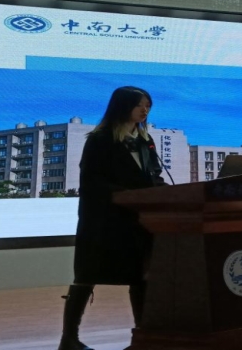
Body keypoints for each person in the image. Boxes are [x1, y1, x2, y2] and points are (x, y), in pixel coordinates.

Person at [58, 86, 167, 350]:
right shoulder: (100, 139)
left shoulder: (145, 141)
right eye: (140, 105)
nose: (145, 110)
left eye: (148, 105)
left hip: (138, 220)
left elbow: (153, 176)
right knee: (87, 275)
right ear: (122, 106)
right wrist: (129, 194)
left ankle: (142, 338)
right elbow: (92, 181)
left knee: (141, 275)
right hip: (104, 220)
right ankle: (69, 340)